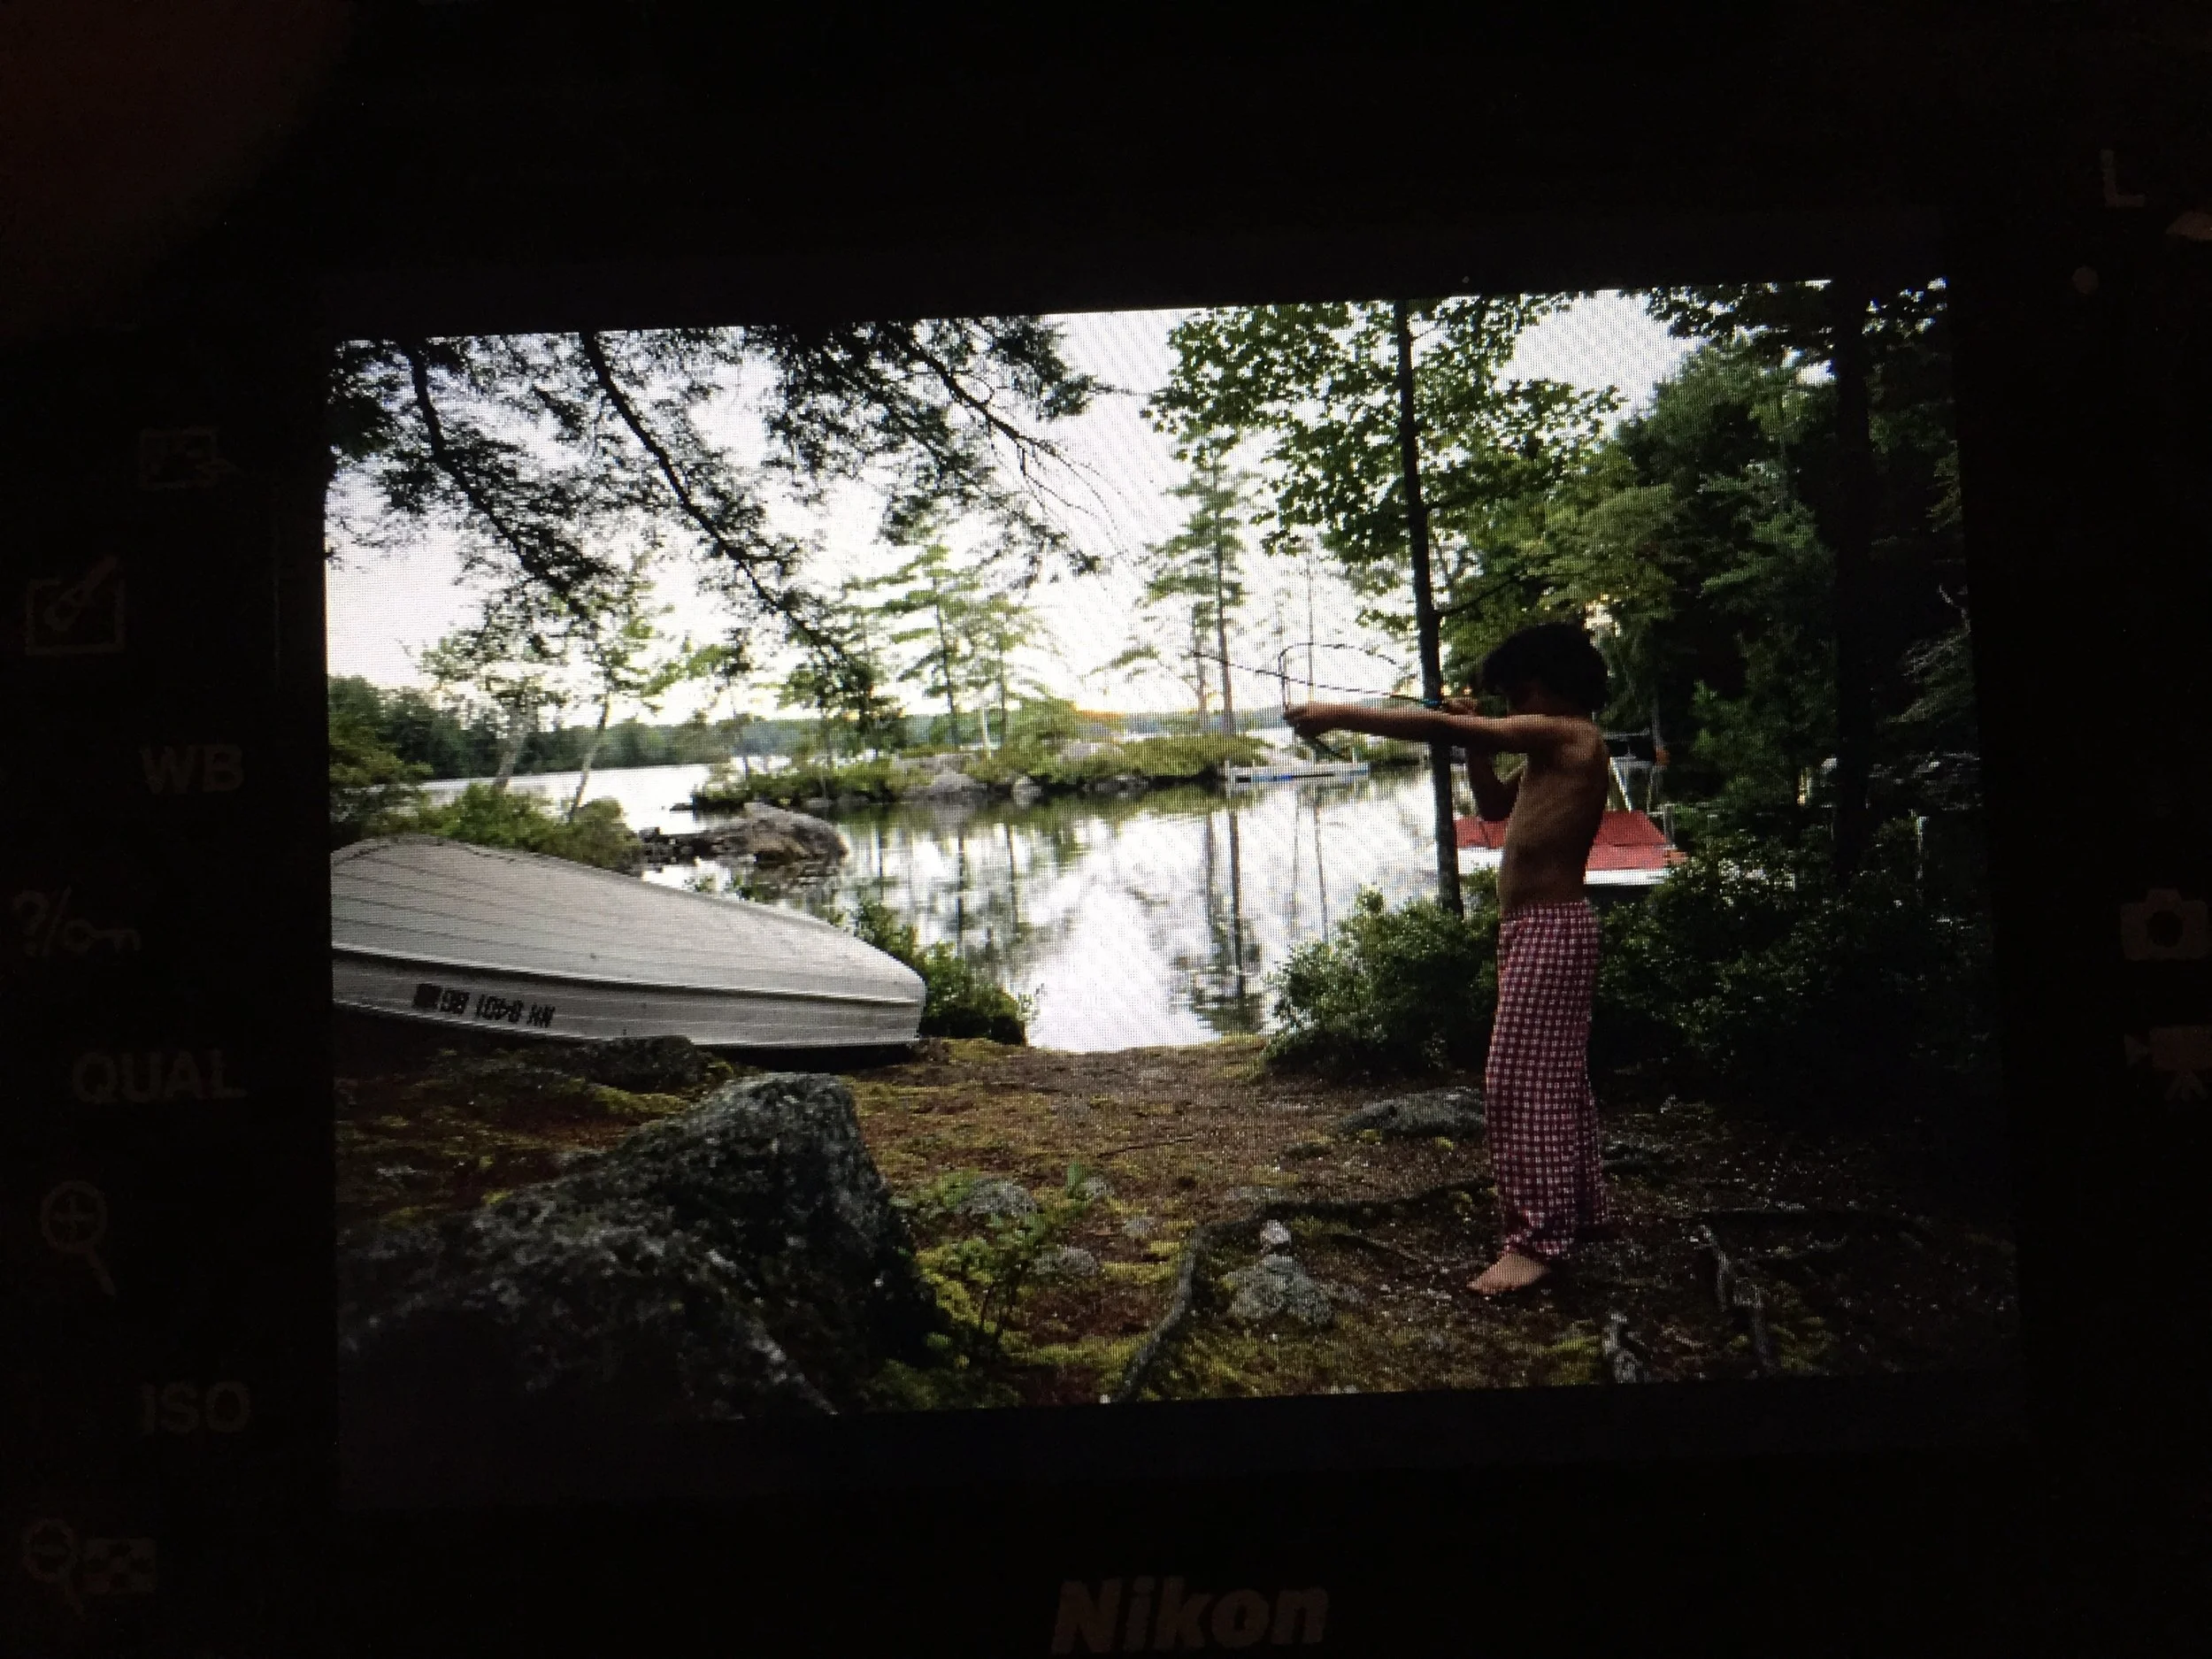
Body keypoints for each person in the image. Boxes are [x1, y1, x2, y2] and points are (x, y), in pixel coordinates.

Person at [1286, 622, 1614, 1294]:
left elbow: (1444, 732)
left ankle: (1537, 1243)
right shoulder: (1553, 749)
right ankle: (1579, 1211)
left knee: (1517, 1083)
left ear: (1553, 684)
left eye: (1520, 691)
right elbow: (1495, 805)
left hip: (1553, 929)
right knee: (1555, 1079)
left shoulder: (1574, 735)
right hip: (1533, 931)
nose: (1514, 704)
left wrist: (1336, 712)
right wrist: (1475, 744)